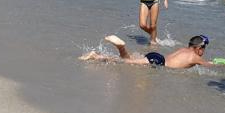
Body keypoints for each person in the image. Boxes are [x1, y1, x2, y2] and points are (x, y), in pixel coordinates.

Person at [80, 34, 211, 69]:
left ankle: (99, 55)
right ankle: (119, 47)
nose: (203, 52)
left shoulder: (184, 49)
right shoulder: (195, 57)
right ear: (199, 48)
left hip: (157, 57)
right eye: (204, 49)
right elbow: (210, 65)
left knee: (129, 59)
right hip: (158, 62)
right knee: (124, 62)